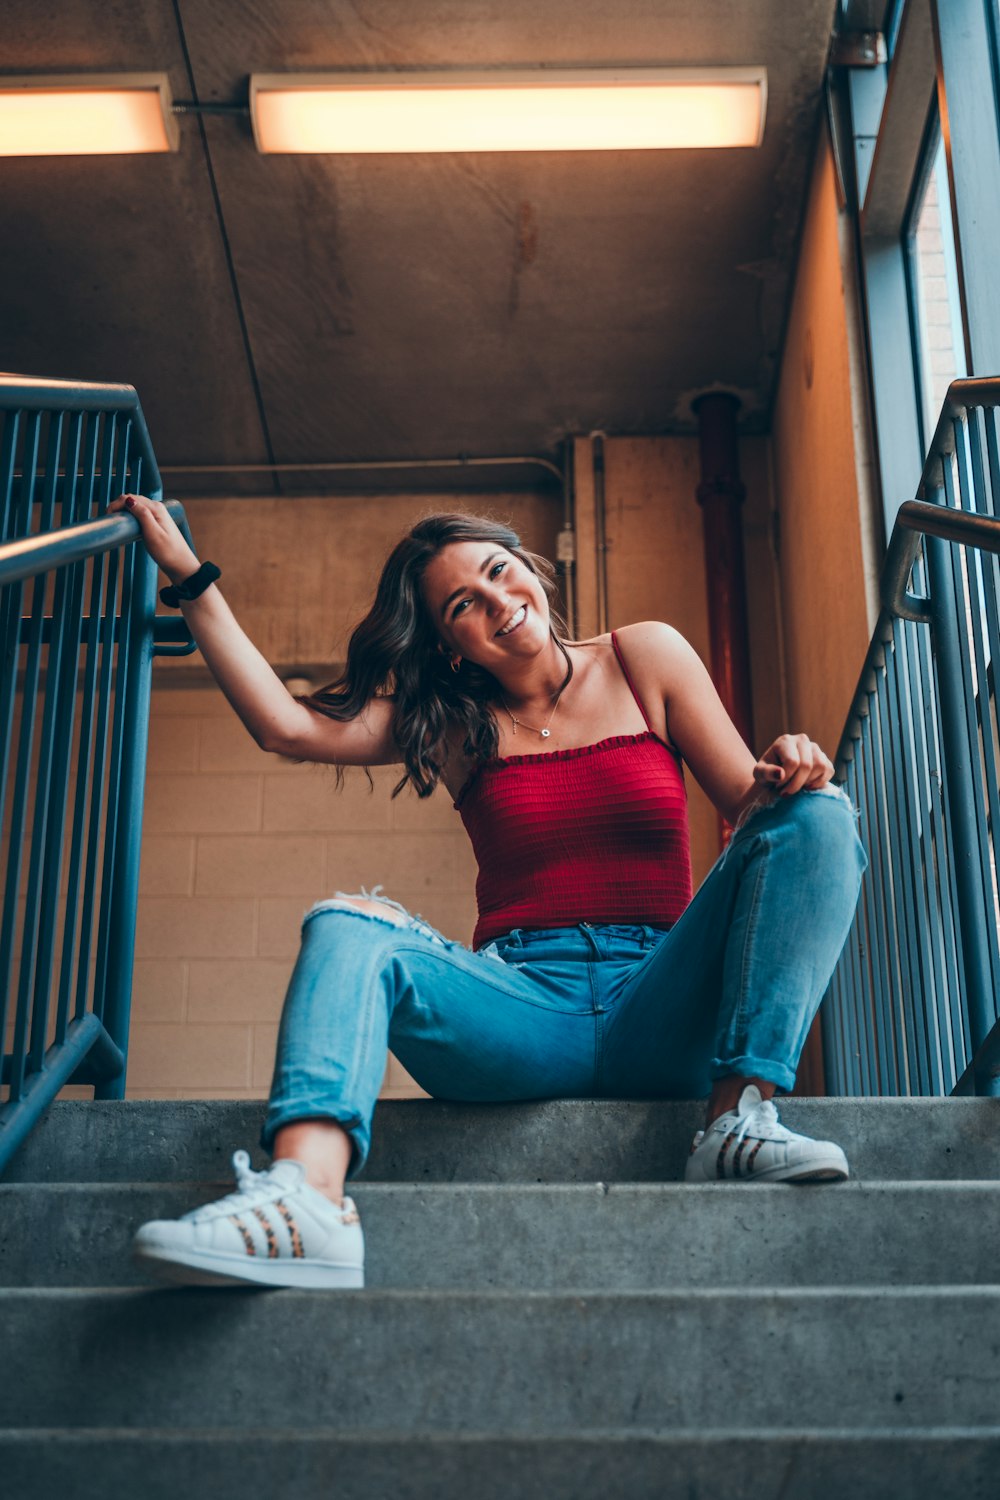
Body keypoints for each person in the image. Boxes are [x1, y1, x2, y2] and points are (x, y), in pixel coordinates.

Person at [114, 497, 867, 1290]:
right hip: (520, 1012)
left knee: (817, 814)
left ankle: (737, 1122)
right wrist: (191, 579)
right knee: (346, 922)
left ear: (530, 567)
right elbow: (287, 728)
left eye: (498, 572)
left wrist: (790, 768)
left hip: (662, 997)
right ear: (449, 647)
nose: (499, 603)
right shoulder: (452, 724)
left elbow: (755, 813)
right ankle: (307, 1201)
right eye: (462, 606)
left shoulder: (645, 657)